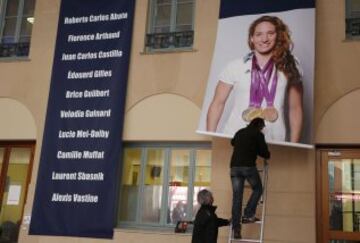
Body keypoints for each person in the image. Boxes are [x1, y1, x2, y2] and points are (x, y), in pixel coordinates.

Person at [206, 15, 303, 143]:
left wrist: (294, 145)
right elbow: (217, 103)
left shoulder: (290, 64)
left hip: (274, 139)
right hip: (235, 137)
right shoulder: (235, 66)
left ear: (277, 36)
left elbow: (295, 108)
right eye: (258, 34)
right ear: (252, 38)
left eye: (270, 33)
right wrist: (211, 139)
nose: (264, 39)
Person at [230, 118, 270, 239]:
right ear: (259, 126)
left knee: (237, 198)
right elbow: (264, 153)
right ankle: (248, 214)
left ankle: (236, 229)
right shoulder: (258, 134)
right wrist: (261, 151)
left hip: (234, 168)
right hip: (248, 167)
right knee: (258, 189)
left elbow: (233, 142)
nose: (262, 129)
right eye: (262, 127)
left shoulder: (240, 132)